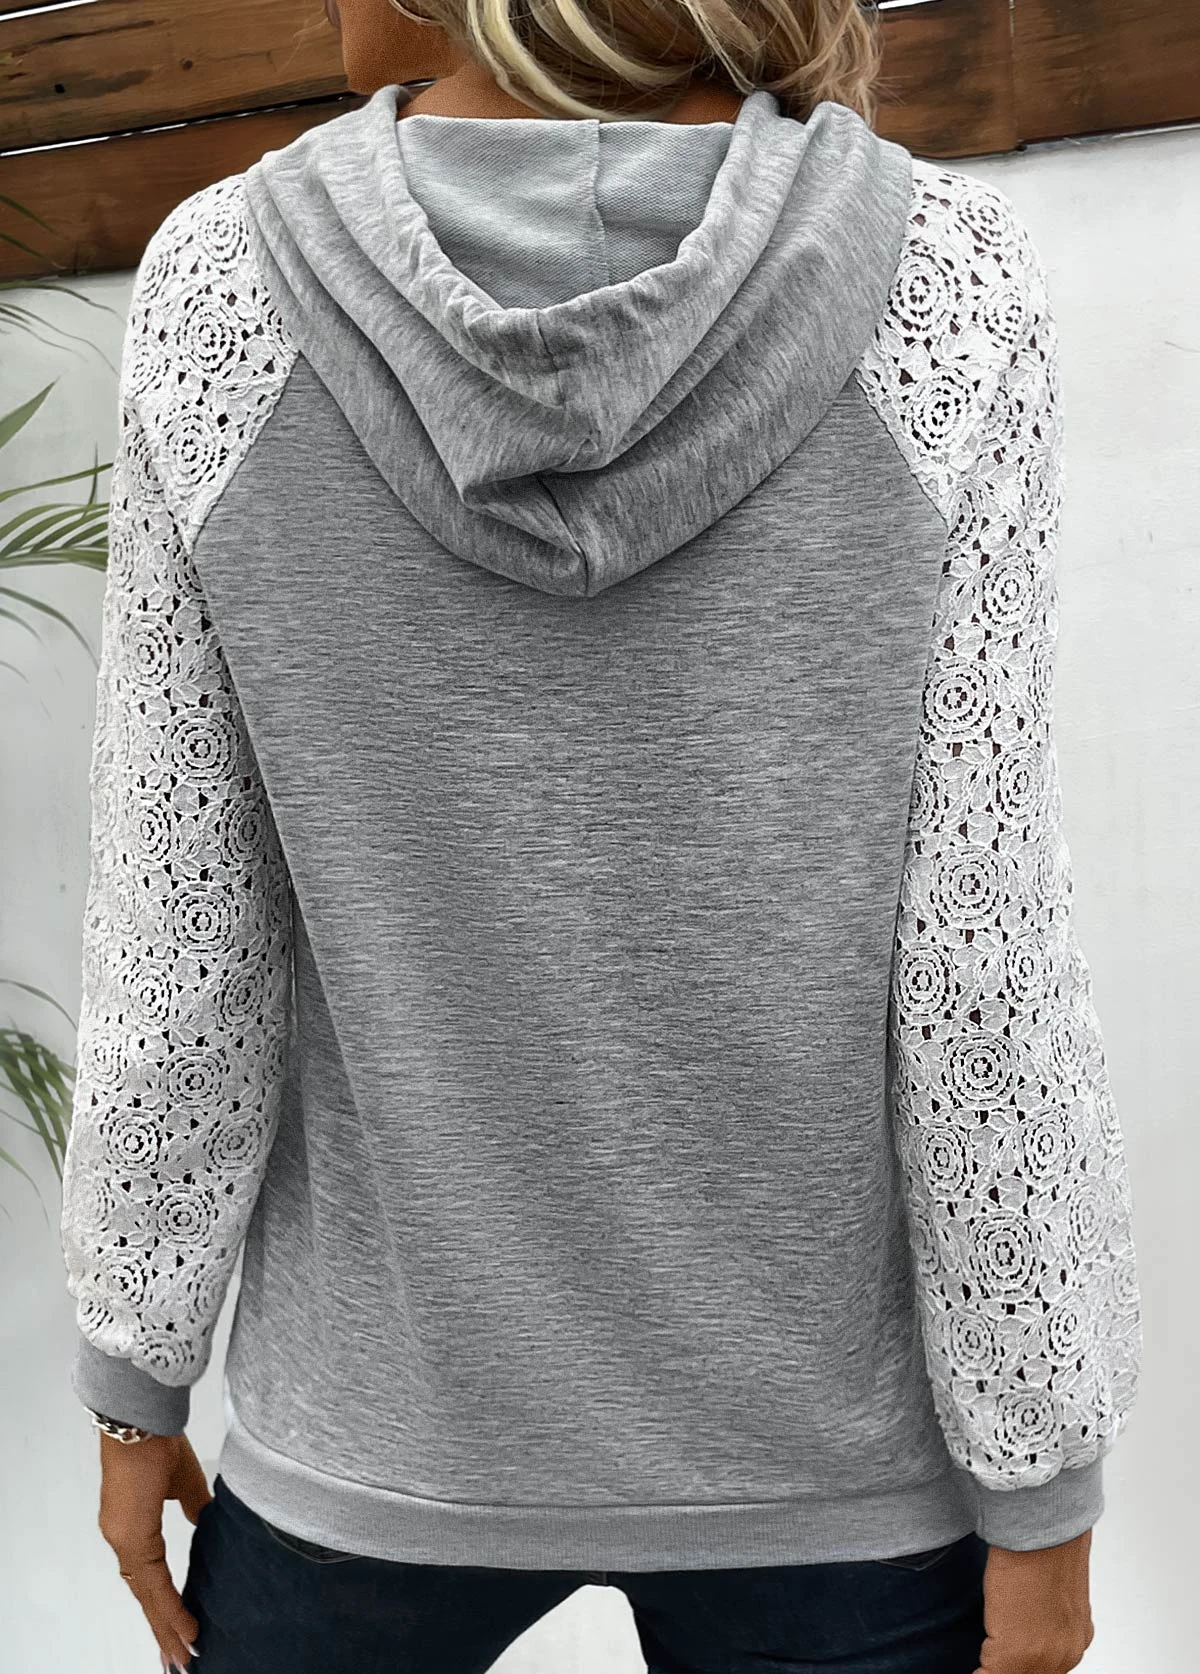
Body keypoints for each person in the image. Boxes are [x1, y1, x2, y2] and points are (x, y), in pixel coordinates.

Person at [58, 1, 1143, 1671]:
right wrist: (1043, 1487)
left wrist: (136, 1384)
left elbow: (184, 927)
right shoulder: (945, 279)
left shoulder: (223, 290)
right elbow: (981, 960)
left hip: (373, 1442)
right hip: (834, 1475)